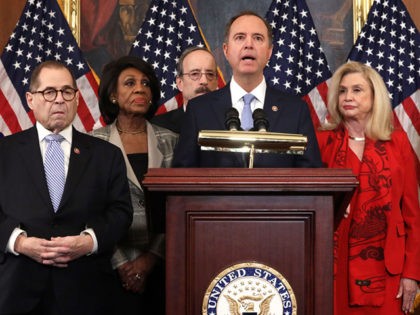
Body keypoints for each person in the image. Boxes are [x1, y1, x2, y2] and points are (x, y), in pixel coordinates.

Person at [0, 60, 133, 315]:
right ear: (30, 99)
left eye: (67, 92)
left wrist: (88, 242)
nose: (59, 99)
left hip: (85, 289)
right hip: (17, 289)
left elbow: (120, 212)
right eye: (49, 92)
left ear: (77, 98)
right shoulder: (4, 153)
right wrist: (19, 242)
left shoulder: (107, 155)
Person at [316, 61, 420, 315]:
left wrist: (412, 273)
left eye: (357, 90)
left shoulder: (397, 142)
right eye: (342, 91)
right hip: (332, 263)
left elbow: (412, 216)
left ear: (375, 97)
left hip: (387, 268)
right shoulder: (322, 141)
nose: (347, 97)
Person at [172, 11, 322, 167]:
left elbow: (310, 176)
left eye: (258, 38)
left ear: (269, 52)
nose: (248, 44)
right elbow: (183, 174)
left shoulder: (296, 110)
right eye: (240, 37)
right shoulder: (199, 109)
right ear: (226, 50)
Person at [91, 55, 178, 315]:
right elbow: (89, 209)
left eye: (145, 83)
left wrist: (150, 259)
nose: (140, 88)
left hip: (164, 265)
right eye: (129, 83)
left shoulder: (172, 141)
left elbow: (178, 206)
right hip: (109, 267)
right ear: (113, 95)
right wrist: (121, 263)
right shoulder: (92, 144)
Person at [151, 46, 219, 133]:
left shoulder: (232, 122)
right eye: (194, 74)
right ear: (180, 83)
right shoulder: (159, 127)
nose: (204, 81)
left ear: (217, 82)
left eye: (210, 74)